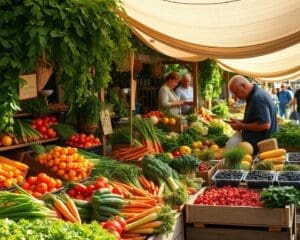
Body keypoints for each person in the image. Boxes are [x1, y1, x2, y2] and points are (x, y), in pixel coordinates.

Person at [228, 75, 278, 154]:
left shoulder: (257, 98)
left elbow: (265, 124)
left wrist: (241, 126)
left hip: (261, 150)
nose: (236, 97)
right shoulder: (256, 95)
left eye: (236, 93)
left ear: (243, 86)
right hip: (259, 148)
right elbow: (257, 119)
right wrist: (242, 122)